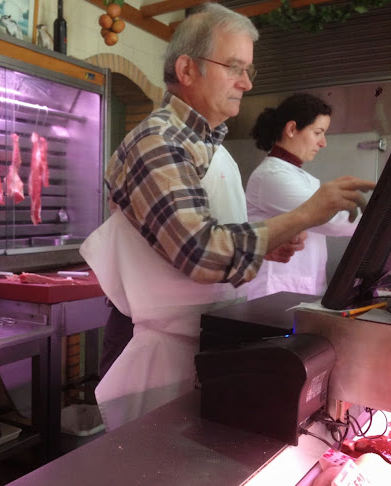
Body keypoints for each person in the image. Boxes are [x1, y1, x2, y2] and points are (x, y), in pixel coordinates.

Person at [79, 2, 374, 433]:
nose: (246, 82)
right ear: (187, 68)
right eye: (235, 67)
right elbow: (200, 251)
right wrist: (310, 212)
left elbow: (215, 235)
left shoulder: (214, 150)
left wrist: (266, 245)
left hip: (204, 343)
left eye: (249, 70)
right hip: (154, 348)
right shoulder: (157, 142)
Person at [244, 93, 359, 300]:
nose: (323, 143)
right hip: (273, 294)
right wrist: (383, 220)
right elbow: (333, 219)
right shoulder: (272, 177)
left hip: (297, 289)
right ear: (291, 129)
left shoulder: (296, 175)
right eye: (318, 132)